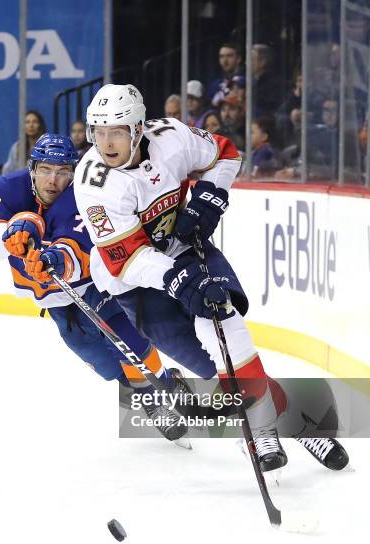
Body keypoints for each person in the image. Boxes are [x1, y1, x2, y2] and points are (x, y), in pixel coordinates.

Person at [73, 83, 349, 473]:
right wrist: (181, 282)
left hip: (186, 247)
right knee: (213, 369)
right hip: (134, 283)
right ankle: (298, 420)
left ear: (138, 129)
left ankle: (262, 431)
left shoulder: (172, 137)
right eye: (98, 131)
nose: (106, 142)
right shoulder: (94, 183)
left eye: (116, 131)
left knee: (224, 321)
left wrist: (207, 200)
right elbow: (128, 259)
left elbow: (225, 154)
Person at [0, 133, 189, 442]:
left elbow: (77, 244)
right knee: (103, 364)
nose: (53, 180)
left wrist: (56, 259)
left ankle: (162, 388)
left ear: (74, 173)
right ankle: (147, 389)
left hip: (93, 283)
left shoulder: (83, 195)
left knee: (124, 338)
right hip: (55, 301)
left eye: (63, 172)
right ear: (31, 168)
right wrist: (10, 231)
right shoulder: (10, 189)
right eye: (46, 169)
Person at [2, 110, 46, 175]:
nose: (31, 125)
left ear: (40, 125)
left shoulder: (47, 146)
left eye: (35, 122)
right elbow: (8, 170)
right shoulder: (17, 147)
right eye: (27, 122)